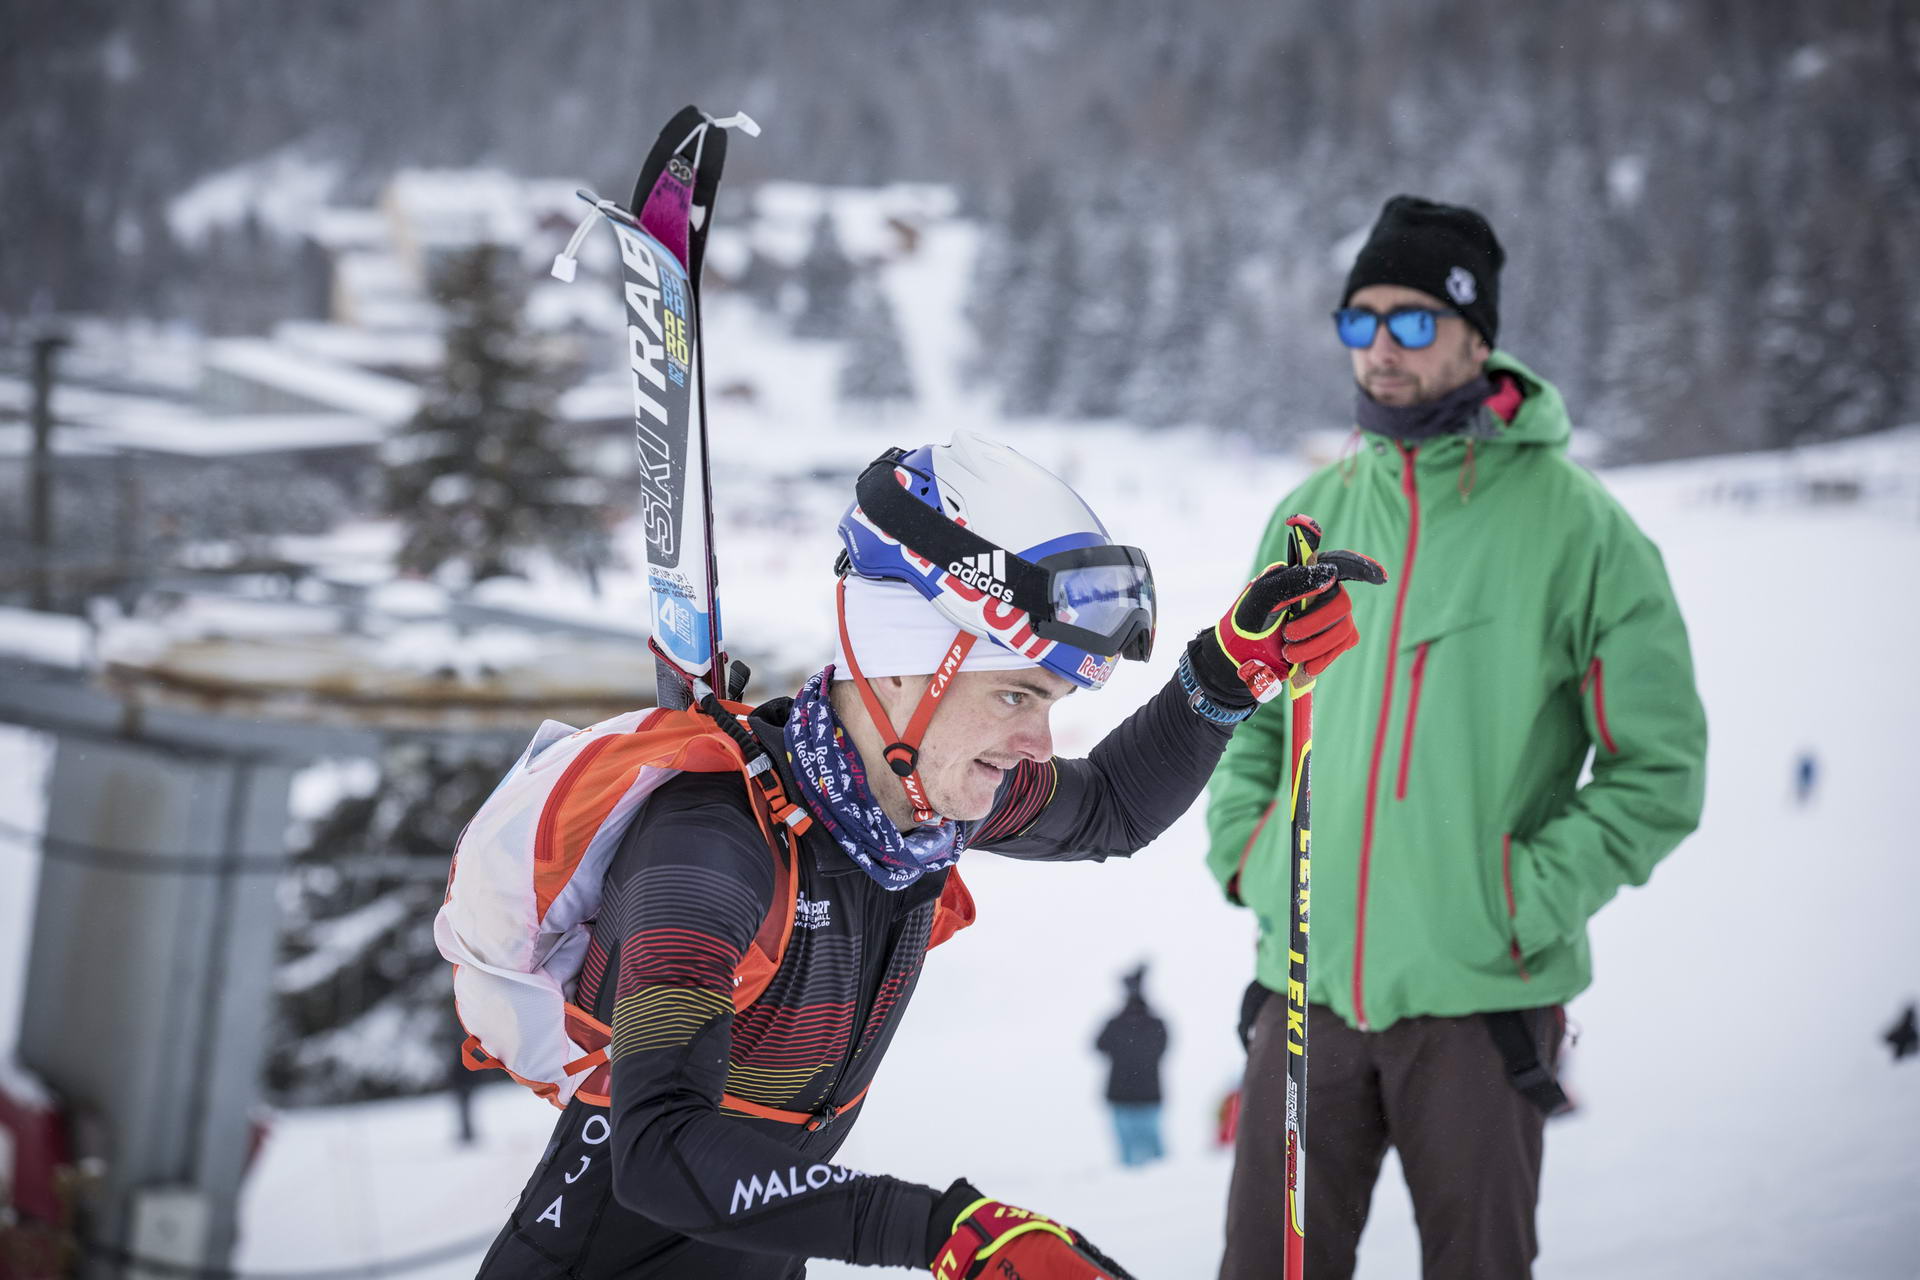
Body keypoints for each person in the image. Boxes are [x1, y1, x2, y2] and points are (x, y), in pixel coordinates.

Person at [475, 431, 1382, 1278]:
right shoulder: (712, 847)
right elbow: (657, 1152)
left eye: (1052, 702)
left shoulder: (916, 810)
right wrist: (949, 1232)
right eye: (1016, 697)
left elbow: (1108, 807)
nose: (1038, 741)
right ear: (906, 663)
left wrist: (1227, 672)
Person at [1208, 196, 1708, 1280]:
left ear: (1480, 337)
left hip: (1480, 1002)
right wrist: (1250, 856)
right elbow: (1248, 714)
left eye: (1414, 320)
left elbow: (1658, 769)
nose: (1380, 347)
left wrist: (1516, 898)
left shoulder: (1582, 530)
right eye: (1360, 320)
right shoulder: (1308, 513)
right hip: (1303, 993)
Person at [1093, 964, 1169, 1168]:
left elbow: (1098, 1045)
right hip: (1148, 1094)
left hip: (1122, 1095)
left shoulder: (1116, 1023)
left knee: (1127, 1155)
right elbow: (1163, 1048)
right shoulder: (1156, 1024)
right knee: (1156, 1155)